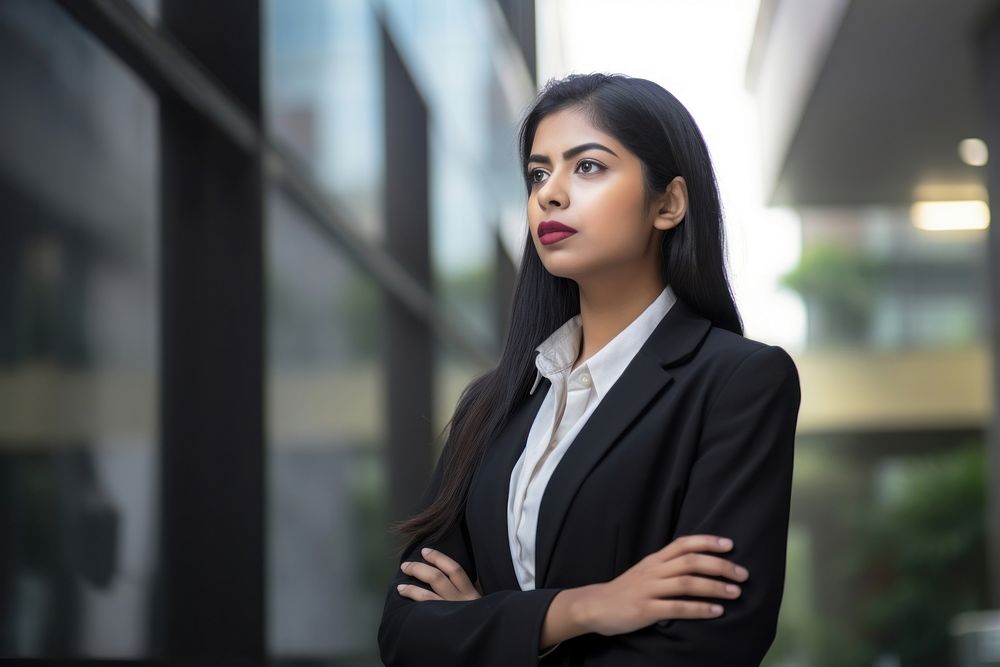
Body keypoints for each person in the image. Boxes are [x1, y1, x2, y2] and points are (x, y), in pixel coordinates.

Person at [376, 72, 802, 666]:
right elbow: (405, 633)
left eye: (589, 166)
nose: (550, 193)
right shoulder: (493, 404)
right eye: (538, 173)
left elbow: (712, 644)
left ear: (669, 203)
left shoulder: (737, 382)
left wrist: (489, 631)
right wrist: (583, 609)